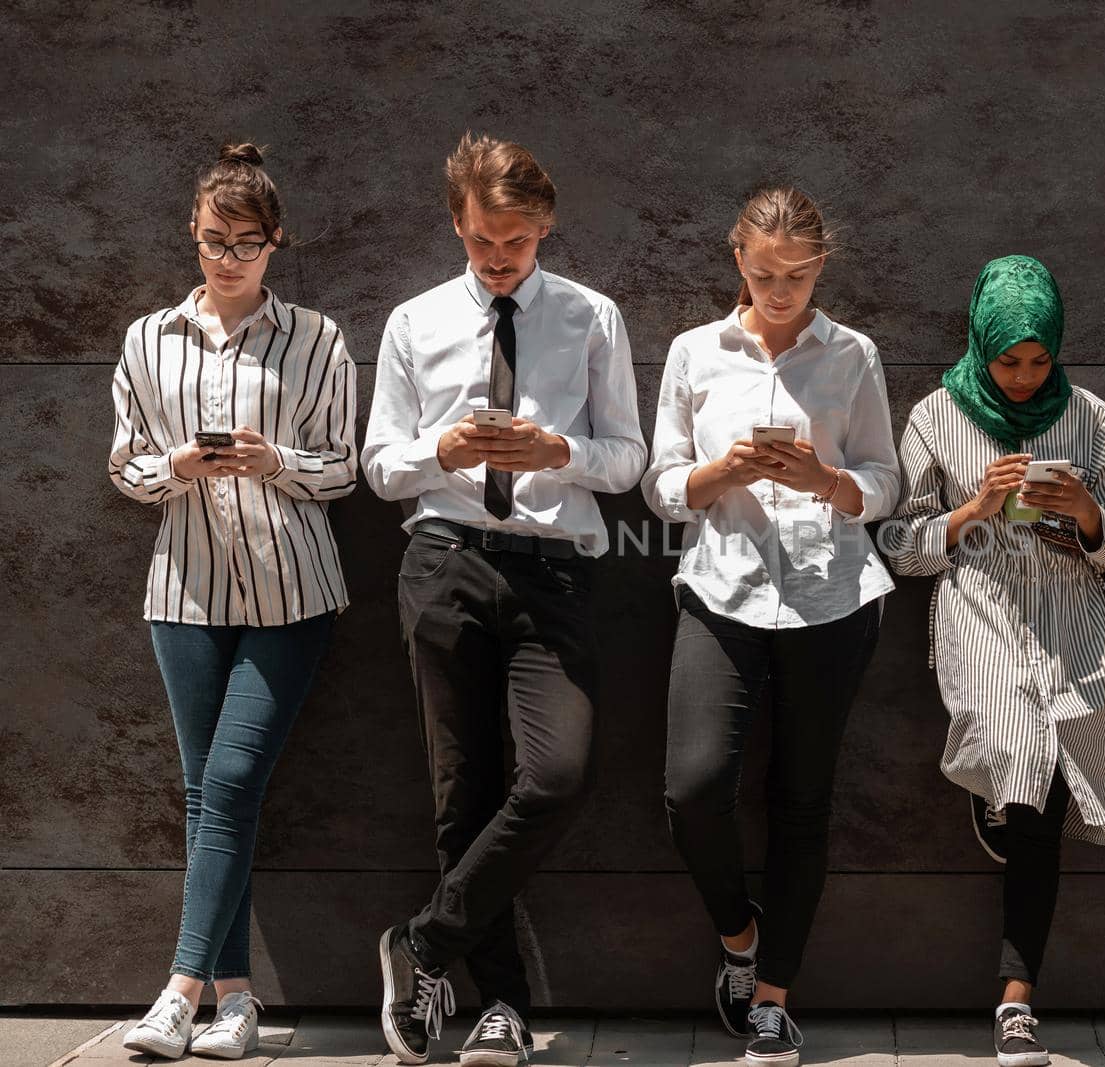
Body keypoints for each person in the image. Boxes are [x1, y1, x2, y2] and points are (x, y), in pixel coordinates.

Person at [362, 132, 646, 1066]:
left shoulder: (592, 318)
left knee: (556, 774)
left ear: (546, 227)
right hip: (443, 560)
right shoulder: (413, 322)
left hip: (550, 569)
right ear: (458, 222)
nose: (498, 259)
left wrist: (559, 454)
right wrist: (444, 451)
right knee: (463, 793)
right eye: (484, 240)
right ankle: (502, 1008)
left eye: (516, 242)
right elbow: (379, 466)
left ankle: (424, 945)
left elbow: (630, 459)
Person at [642, 185, 899, 1067]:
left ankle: (774, 1001)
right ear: (735, 260)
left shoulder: (853, 354)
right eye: (762, 273)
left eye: (795, 274)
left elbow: (884, 479)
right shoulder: (693, 352)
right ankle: (739, 936)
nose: (779, 290)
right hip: (722, 589)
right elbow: (661, 484)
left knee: (803, 798)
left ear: (823, 265)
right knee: (693, 787)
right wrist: (726, 470)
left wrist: (822, 477)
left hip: (832, 595)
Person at [111, 143, 357, 1060]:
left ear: (276, 243)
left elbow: (344, 469)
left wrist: (275, 461)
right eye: (214, 240)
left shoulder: (317, 338)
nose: (226, 258)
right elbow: (125, 467)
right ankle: (239, 999)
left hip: (291, 591)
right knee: (206, 791)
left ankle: (177, 990)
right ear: (193, 232)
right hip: (184, 590)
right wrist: (177, 463)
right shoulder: (148, 338)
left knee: (230, 780)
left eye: (246, 244)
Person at [884, 255, 1105, 1067]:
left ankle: (1016, 1003)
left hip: (1073, 628)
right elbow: (901, 546)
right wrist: (974, 507)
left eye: (1039, 360)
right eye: (1009, 361)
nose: (1027, 376)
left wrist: (1086, 512)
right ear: (979, 344)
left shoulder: (1091, 418)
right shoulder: (934, 413)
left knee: (1050, 795)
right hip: (984, 619)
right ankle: (1005, 788)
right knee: (1025, 763)